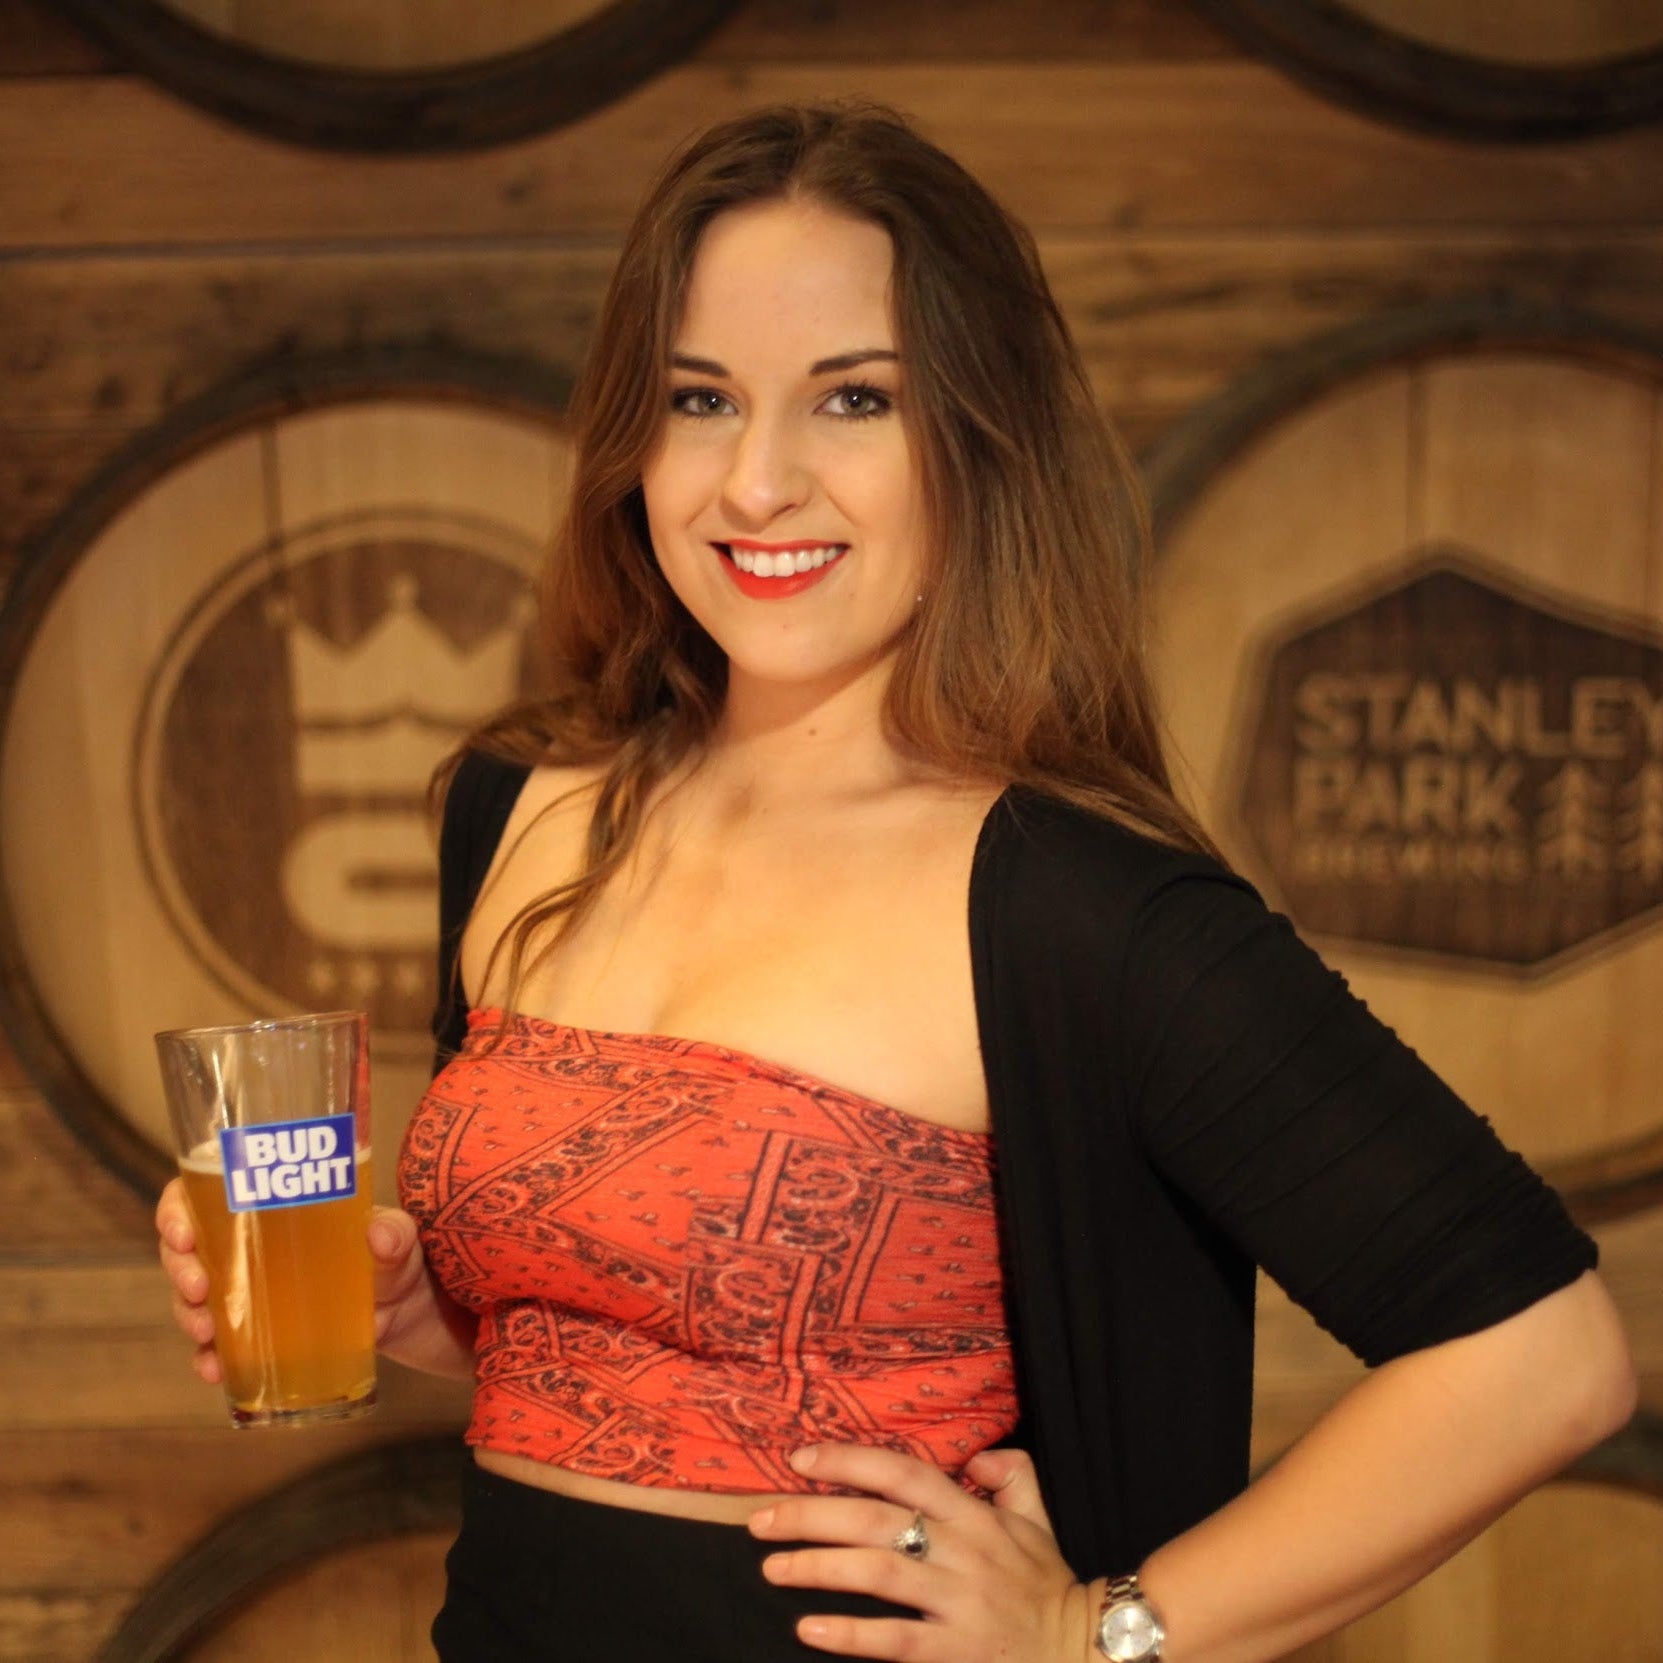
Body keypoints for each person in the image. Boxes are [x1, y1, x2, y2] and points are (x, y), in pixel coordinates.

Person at [157, 103, 1636, 1662]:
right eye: (700, 399)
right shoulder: (518, 810)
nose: (758, 482)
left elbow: (1543, 1356)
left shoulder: (1081, 912)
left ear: (978, 441)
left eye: (853, 400)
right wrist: (420, 1319)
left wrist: (1095, 1636)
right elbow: (635, 1348)